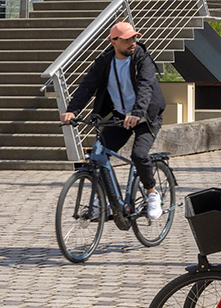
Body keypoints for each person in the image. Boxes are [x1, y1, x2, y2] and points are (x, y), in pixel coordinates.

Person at [60, 21, 167, 223]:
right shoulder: (104, 62)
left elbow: (145, 87)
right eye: (127, 39)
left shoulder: (142, 59)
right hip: (120, 116)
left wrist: (137, 112)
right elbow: (87, 87)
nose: (132, 42)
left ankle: (152, 194)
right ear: (113, 41)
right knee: (98, 155)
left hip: (145, 116)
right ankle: (103, 202)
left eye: (134, 37)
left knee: (139, 154)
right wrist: (72, 110)